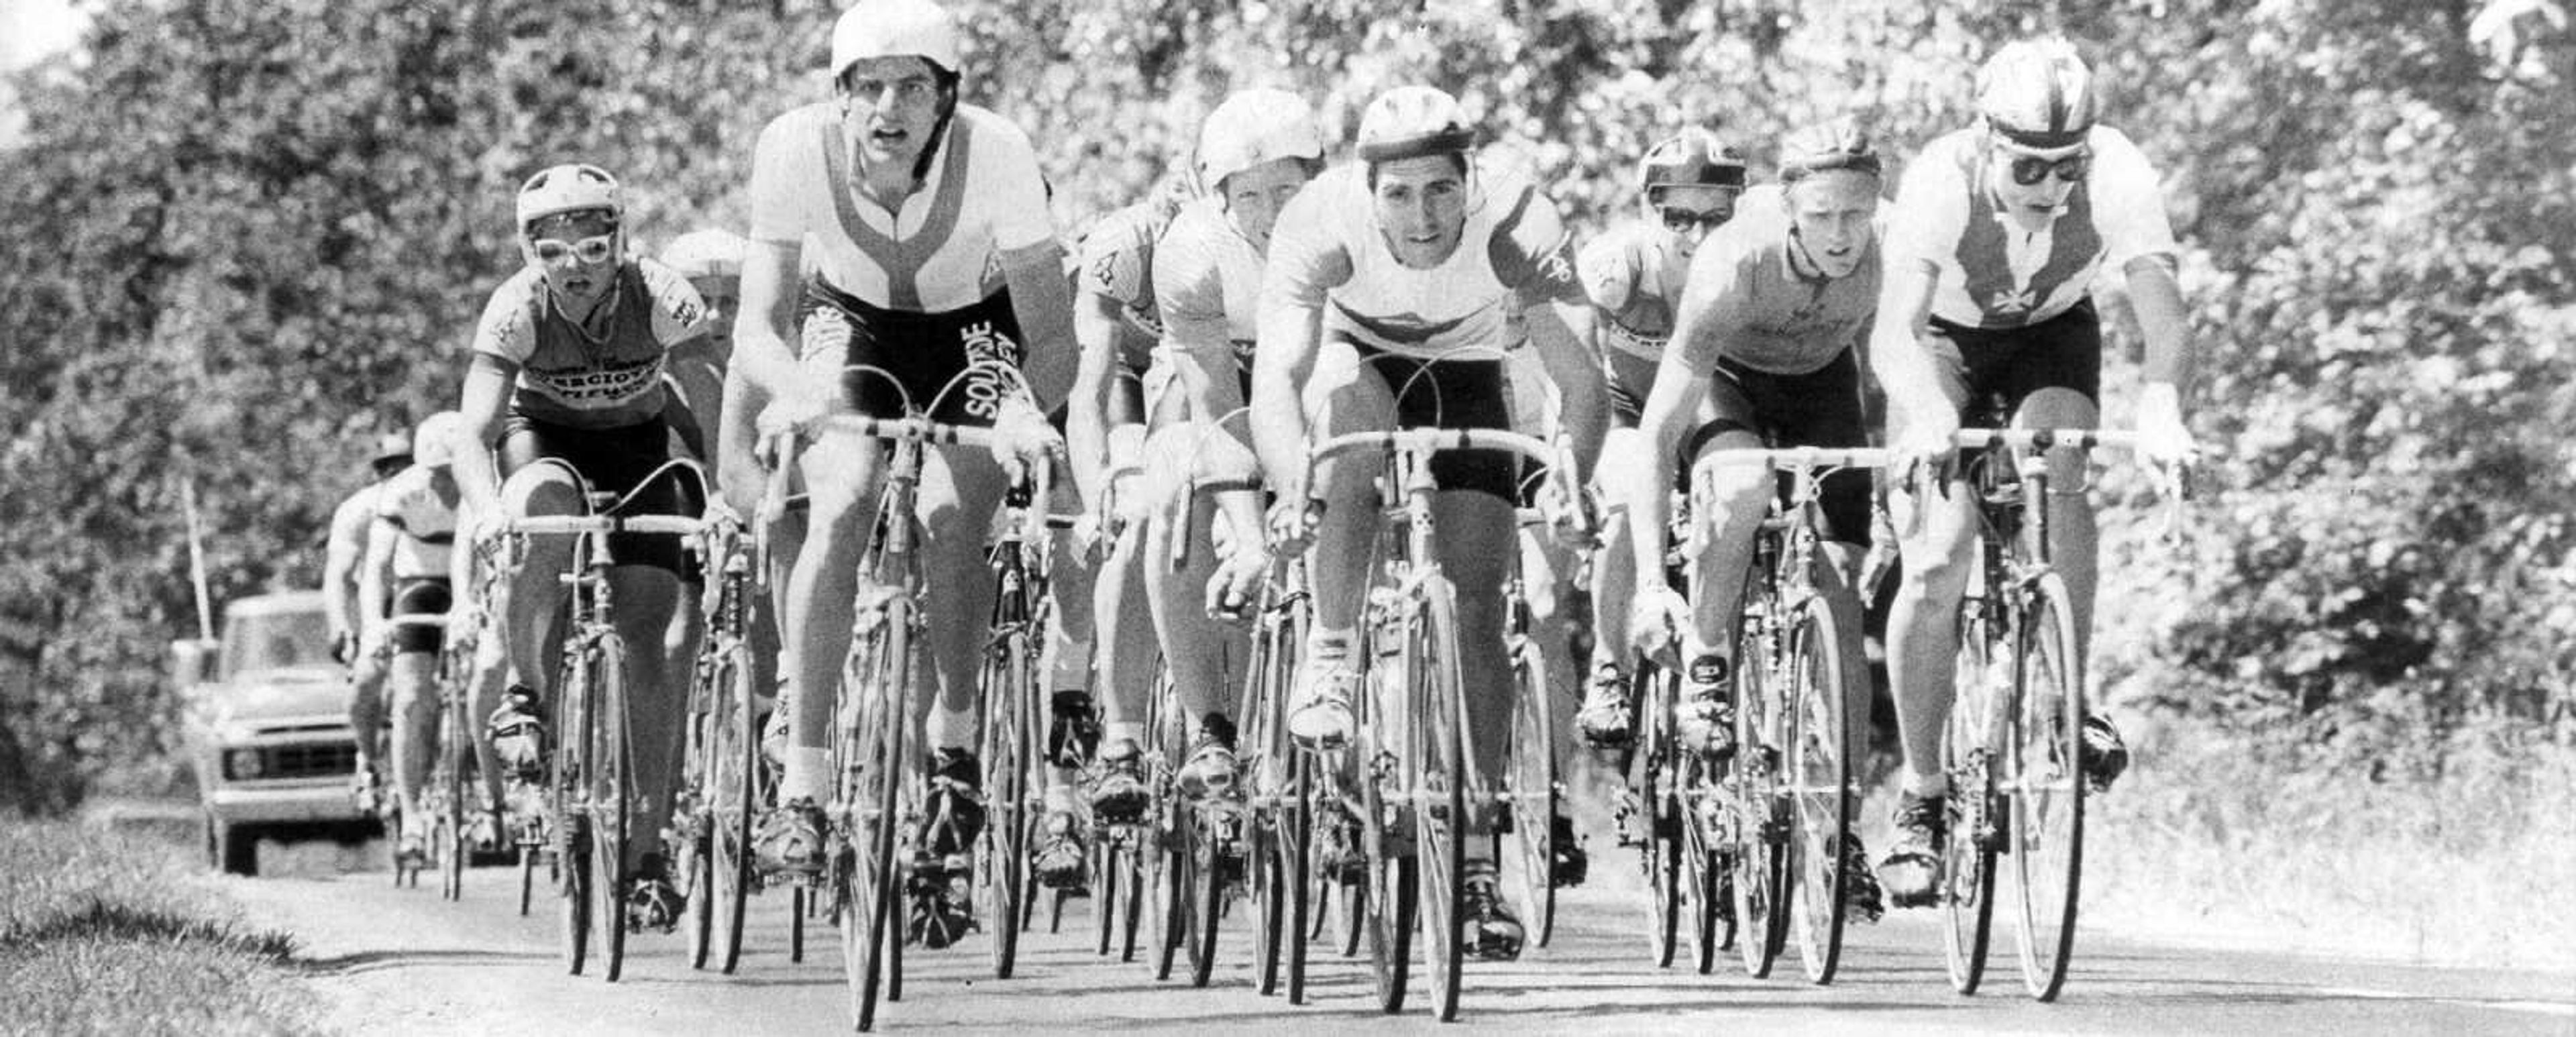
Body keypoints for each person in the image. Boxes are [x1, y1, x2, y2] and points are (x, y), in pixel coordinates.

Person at [736, 0, 1075, 951]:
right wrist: (797, 389)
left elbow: (1049, 330)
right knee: (840, 498)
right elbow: (756, 324)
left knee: (953, 517)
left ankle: (955, 739)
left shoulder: (998, 153)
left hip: (977, 332)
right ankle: (803, 782)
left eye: (913, 88)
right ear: (839, 100)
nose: (890, 107)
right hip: (850, 327)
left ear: (947, 100)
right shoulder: (793, 149)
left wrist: (1018, 407)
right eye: (869, 88)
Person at [1252, 85, 1607, 961]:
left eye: (1440, 190)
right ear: (1367, 191)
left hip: (1468, 369)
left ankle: (1478, 854)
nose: (1422, 213)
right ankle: (1330, 659)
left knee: (1480, 605)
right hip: (1356, 357)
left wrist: (1570, 475)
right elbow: (1276, 378)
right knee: (1346, 423)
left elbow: (1582, 379)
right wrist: (1293, 482)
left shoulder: (1520, 220)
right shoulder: (1321, 222)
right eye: (1400, 193)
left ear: (1469, 179)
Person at [1868, 38, 2198, 904]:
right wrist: (1930, 410)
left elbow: (2165, 318)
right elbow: (1891, 333)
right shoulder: (1941, 179)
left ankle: (2066, 695)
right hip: (1942, 341)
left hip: (2051, 332)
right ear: (1985, 142)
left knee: (2061, 460)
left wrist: (2163, 405)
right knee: (1937, 558)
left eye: (2067, 167)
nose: (2051, 188)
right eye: (2029, 167)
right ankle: (1922, 796)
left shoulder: (2119, 171)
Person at [1619, 117, 1894, 924]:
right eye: (1822, 215)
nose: (1841, 234)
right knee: (1739, 488)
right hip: (1724, 383)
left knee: (1840, 601)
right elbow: (1660, 432)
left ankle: (1839, 835)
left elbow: (1912, 366)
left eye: (1856, 214)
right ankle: (1708, 664)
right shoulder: (1733, 259)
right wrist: (1646, 583)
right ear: (1789, 208)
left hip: (1821, 385)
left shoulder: (1894, 248)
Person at [455, 161, 715, 930]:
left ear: (620, 240)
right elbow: (474, 430)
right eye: (553, 250)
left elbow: (712, 403)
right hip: (544, 441)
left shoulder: (663, 295)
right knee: (541, 508)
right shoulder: (515, 308)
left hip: (638, 445)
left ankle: (647, 852)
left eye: (592, 247)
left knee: (650, 640)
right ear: (530, 252)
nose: (574, 266)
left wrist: (731, 491)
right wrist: (485, 510)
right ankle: (525, 695)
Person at [1036, 172, 1198, 890]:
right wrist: (1102, 486)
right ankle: (1066, 785)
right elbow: (1091, 387)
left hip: (1185, 369)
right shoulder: (1122, 246)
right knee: (1109, 533)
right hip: (1110, 375)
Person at [1571, 129, 1748, 747]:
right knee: (1621, 511)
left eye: (1716, 219)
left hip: (1703, 409)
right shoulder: (1618, 265)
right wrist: (1571, 472)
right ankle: (1608, 669)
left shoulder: (1745, 266)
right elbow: (1571, 372)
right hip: (1627, 408)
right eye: (1679, 217)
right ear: (1650, 211)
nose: (1697, 237)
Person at [362, 411, 470, 865]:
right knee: (410, 697)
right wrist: (373, 623)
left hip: (473, 585)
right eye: (436, 475)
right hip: (419, 585)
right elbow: (375, 568)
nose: (444, 484)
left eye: (452, 474)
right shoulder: (402, 492)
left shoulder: (483, 486)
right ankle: (411, 816)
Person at [331, 428, 413, 810]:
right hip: (377, 605)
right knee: (366, 680)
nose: (398, 476)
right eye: (389, 469)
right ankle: (369, 759)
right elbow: (338, 576)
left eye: (407, 467)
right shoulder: (358, 511)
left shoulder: (436, 499)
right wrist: (340, 627)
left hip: (427, 597)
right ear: (378, 473)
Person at [659, 228, 748, 463]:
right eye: (700, 302)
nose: (715, 316)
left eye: (729, 302)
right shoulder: (653, 390)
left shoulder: (767, 386)